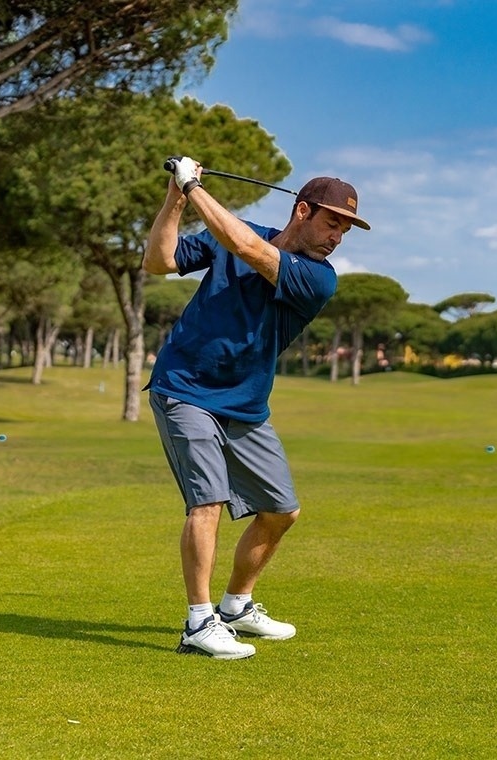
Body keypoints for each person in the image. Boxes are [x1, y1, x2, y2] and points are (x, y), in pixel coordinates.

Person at [142, 156, 369, 659]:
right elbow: (159, 261)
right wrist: (175, 198)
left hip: (245, 404)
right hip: (184, 388)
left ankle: (235, 607)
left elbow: (246, 247)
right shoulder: (237, 233)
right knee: (208, 501)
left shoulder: (318, 278)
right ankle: (199, 624)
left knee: (281, 511)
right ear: (303, 211)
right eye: (333, 222)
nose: (338, 236)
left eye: (346, 229)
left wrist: (194, 187)